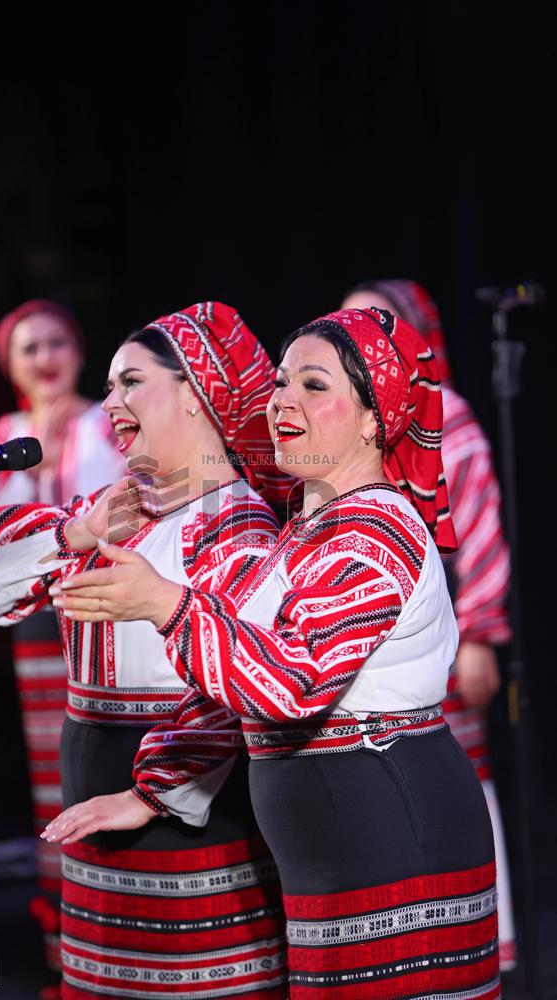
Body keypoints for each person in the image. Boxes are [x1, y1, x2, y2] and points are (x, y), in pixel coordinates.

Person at [52, 307, 500, 999]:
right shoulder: (308, 531)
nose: (283, 399)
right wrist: (155, 789)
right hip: (339, 843)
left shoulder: (375, 533)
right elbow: (240, 680)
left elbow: (294, 683)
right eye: (282, 380)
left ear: (373, 419)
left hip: (391, 830)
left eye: (315, 386)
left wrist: (164, 603)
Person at [0, 302, 293, 998]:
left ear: (198, 392)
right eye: (109, 386)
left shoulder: (238, 526)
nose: (111, 402)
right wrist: (77, 531)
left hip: (186, 811)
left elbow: (244, 689)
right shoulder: (113, 510)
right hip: (97, 798)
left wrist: (153, 793)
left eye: (131, 382)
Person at [0, 299, 125, 972]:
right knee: (56, 778)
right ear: (10, 365)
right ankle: (65, 946)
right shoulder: (3, 432)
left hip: (116, 621)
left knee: (114, 762)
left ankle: (126, 931)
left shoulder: (112, 421)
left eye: (56, 343)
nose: (46, 358)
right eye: (30, 348)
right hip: (44, 633)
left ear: (78, 349)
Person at [340, 279, 515, 970]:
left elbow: (478, 531)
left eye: (377, 322)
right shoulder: (348, 419)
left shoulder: (451, 419)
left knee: (453, 777)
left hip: (434, 633)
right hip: (364, 635)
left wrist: (477, 634)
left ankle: (481, 942)